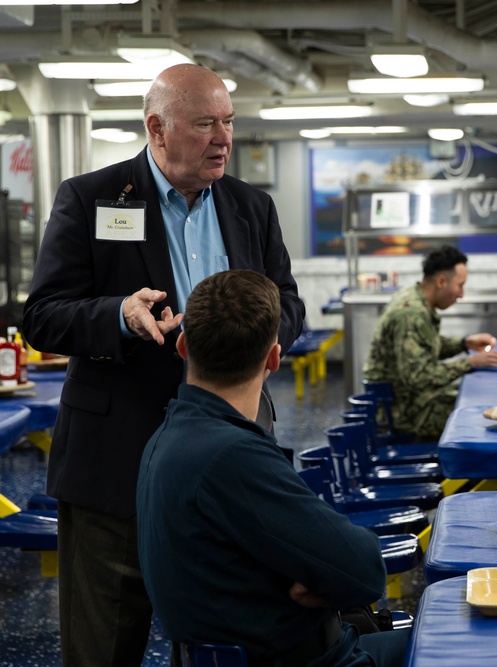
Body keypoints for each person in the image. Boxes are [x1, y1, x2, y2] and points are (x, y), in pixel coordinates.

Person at [21, 64, 304, 667]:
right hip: (115, 458)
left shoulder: (252, 207)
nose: (224, 138)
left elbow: (289, 301)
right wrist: (118, 315)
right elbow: (41, 316)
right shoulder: (92, 197)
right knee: (103, 646)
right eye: (206, 124)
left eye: (228, 122)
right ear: (158, 128)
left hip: (231, 458)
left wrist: (255, 340)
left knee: (230, 644)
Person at [137, 270, 406, 667]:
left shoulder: (166, 438)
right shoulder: (230, 455)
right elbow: (364, 570)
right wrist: (316, 576)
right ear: (274, 358)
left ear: (181, 345)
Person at [363, 245, 497, 438]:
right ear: (441, 281)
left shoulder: (413, 297)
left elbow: (424, 346)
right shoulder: (411, 313)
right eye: (460, 285)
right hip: (401, 412)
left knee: (476, 403)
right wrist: (469, 363)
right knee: (482, 418)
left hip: (408, 400)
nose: (462, 294)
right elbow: (418, 378)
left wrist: (464, 344)